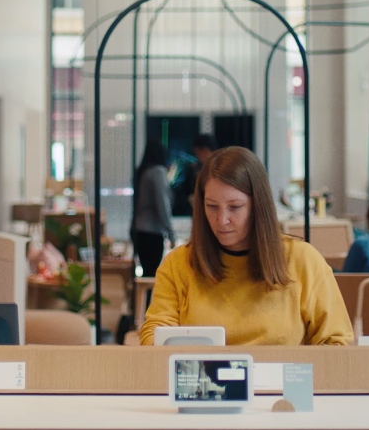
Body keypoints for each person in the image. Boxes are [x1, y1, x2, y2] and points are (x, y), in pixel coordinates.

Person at [139, 146, 353, 345]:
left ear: (258, 206)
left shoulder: (303, 260)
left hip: (280, 385)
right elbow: (156, 334)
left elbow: (335, 342)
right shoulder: (178, 264)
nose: (222, 220)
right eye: (212, 207)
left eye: (235, 207)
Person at [131, 138, 174, 278]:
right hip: (152, 232)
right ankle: (149, 301)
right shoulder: (157, 172)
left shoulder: (143, 171)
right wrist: (171, 232)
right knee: (152, 277)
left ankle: (143, 300)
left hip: (138, 229)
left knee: (146, 274)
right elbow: (162, 204)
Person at [175, 134, 217, 217]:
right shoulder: (194, 169)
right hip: (197, 212)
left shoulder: (220, 168)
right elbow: (185, 190)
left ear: (205, 150)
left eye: (198, 153)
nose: (198, 157)